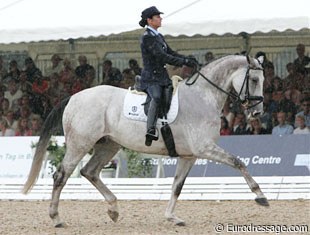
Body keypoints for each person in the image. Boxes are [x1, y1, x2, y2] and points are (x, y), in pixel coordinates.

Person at [138, 6, 198, 152]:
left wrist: (185, 58)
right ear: (149, 20)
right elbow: (162, 57)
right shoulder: (147, 38)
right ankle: (150, 128)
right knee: (157, 97)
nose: (160, 19)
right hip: (151, 78)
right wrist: (183, 63)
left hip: (162, 77)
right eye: (157, 17)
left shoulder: (159, 36)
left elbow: (170, 52)